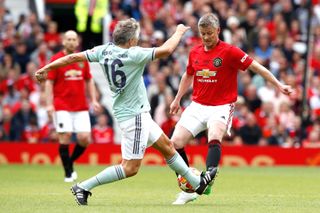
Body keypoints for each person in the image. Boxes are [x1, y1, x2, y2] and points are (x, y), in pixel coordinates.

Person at [35, 18, 218, 206]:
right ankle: (83, 187)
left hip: (135, 113)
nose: (137, 41)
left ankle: (197, 184)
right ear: (131, 41)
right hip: (134, 117)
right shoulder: (134, 54)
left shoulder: (103, 50)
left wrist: (46, 68)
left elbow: (72, 57)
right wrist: (179, 31)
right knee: (130, 168)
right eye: (136, 38)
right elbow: (166, 50)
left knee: (168, 147)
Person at [169, 13, 293, 205]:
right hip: (197, 105)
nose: (207, 37)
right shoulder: (195, 52)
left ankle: (209, 176)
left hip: (221, 105)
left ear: (218, 31)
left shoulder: (230, 52)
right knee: (174, 143)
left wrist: (278, 84)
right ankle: (189, 186)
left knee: (215, 134)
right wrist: (177, 99)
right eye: (203, 34)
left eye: (210, 33)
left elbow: (257, 67)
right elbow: (188, 75)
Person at [45, 30, 100, 182]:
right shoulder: (56, 59)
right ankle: (68, 173)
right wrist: (49, 105)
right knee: (66, 136)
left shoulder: (82, 59)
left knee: (84, 138)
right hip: (61, 104)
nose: (70, 41)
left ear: (77, 42)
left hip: (81, 106)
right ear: (63, 41)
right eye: (68, 39)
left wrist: (94, 100)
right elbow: (49, 83)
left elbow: (89, 80)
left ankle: (69, 162)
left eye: (73, 39)